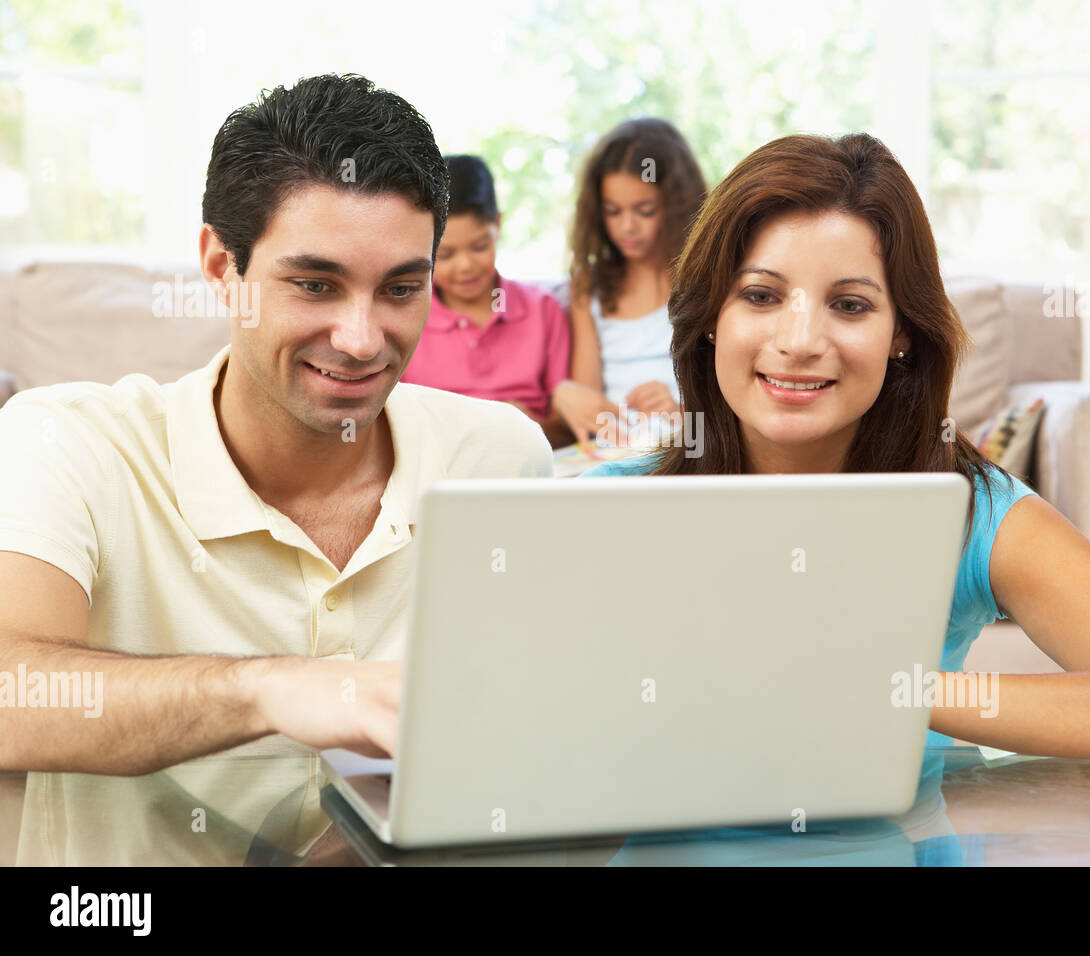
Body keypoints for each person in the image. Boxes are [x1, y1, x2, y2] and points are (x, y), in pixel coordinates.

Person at [580, 132, 1090, 763]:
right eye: (760, 295)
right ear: (709, 320)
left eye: (849, 305)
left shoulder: (970, 511)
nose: (799, 340)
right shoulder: (611, 506)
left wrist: (902, 690)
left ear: (901, 332)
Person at [0, 74, 553, 775]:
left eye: (400, 289)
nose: (360, 339)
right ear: (220, 267)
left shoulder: (499, 457)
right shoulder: (68, 443)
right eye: (315, 284)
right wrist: (270, 689)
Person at [552, 117, 707, 444]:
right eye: (612, 211)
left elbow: (726, 417)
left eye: (644, 210)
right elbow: (593, 412)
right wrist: (568, 398)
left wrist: (678, 411)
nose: (627, 227)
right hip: (617, 453)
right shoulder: (588, 288)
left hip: (689, 449)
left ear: (676, 205)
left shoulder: (704, 280)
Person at [401, 155, 572, 447]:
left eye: (480, 246)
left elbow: (568, 428)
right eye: (446, 254)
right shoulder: (408, 317)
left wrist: (528, 426)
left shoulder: (542, 310)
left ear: (498, 225)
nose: (466, 265)